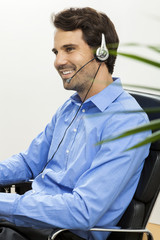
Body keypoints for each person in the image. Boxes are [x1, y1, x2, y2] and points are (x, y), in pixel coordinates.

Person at [0, 7, 151, 240]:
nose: (59, 61)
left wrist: (6, 203)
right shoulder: (71, 107)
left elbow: (82, 212)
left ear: (101, 52)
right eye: (56, 51)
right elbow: (29, 162)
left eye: (69, 49)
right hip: (33, 222)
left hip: (64, 233)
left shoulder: (127, 122)